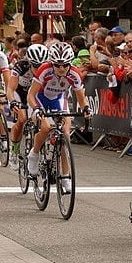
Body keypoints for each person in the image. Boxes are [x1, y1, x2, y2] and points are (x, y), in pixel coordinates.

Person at [25, 42, 91, 190]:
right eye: (57, 65)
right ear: (52, 63)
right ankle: (34, 155)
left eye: (65, 65)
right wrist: (36, 109)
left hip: (58, 99)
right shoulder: (44, 69)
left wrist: (85, 108)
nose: (61, 69)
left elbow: (81, 98)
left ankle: (65, 175)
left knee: (65, 135)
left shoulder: (75, 73)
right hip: (40, 98)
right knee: (46, 127)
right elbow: (31, 94)